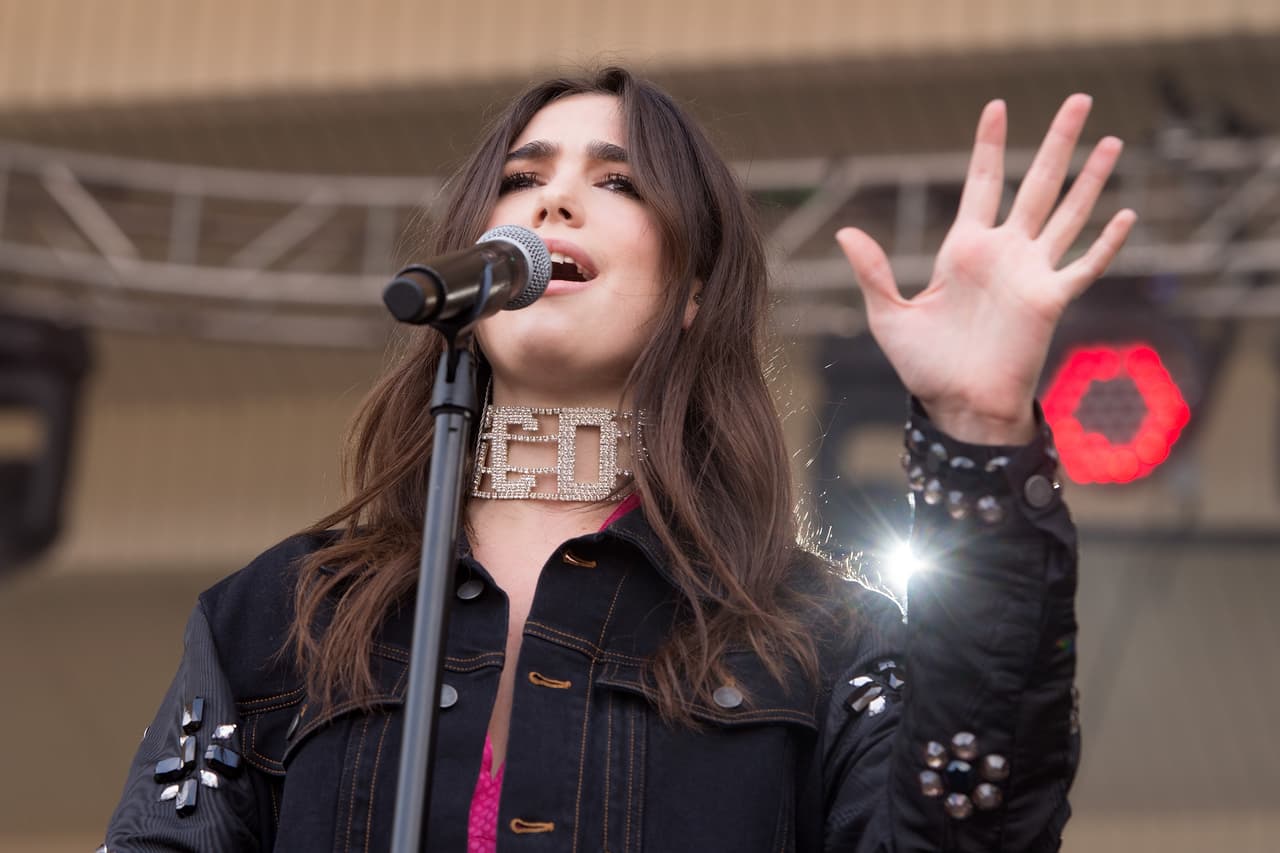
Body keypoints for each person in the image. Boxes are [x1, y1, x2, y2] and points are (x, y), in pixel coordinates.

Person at [101, 66, 1134, 852]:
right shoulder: (276, 617)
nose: (552, 203)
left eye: (617, 180)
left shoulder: (819, 640)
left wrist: (976, 430)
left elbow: (972, 826)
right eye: (521, 178)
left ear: (692, 291)